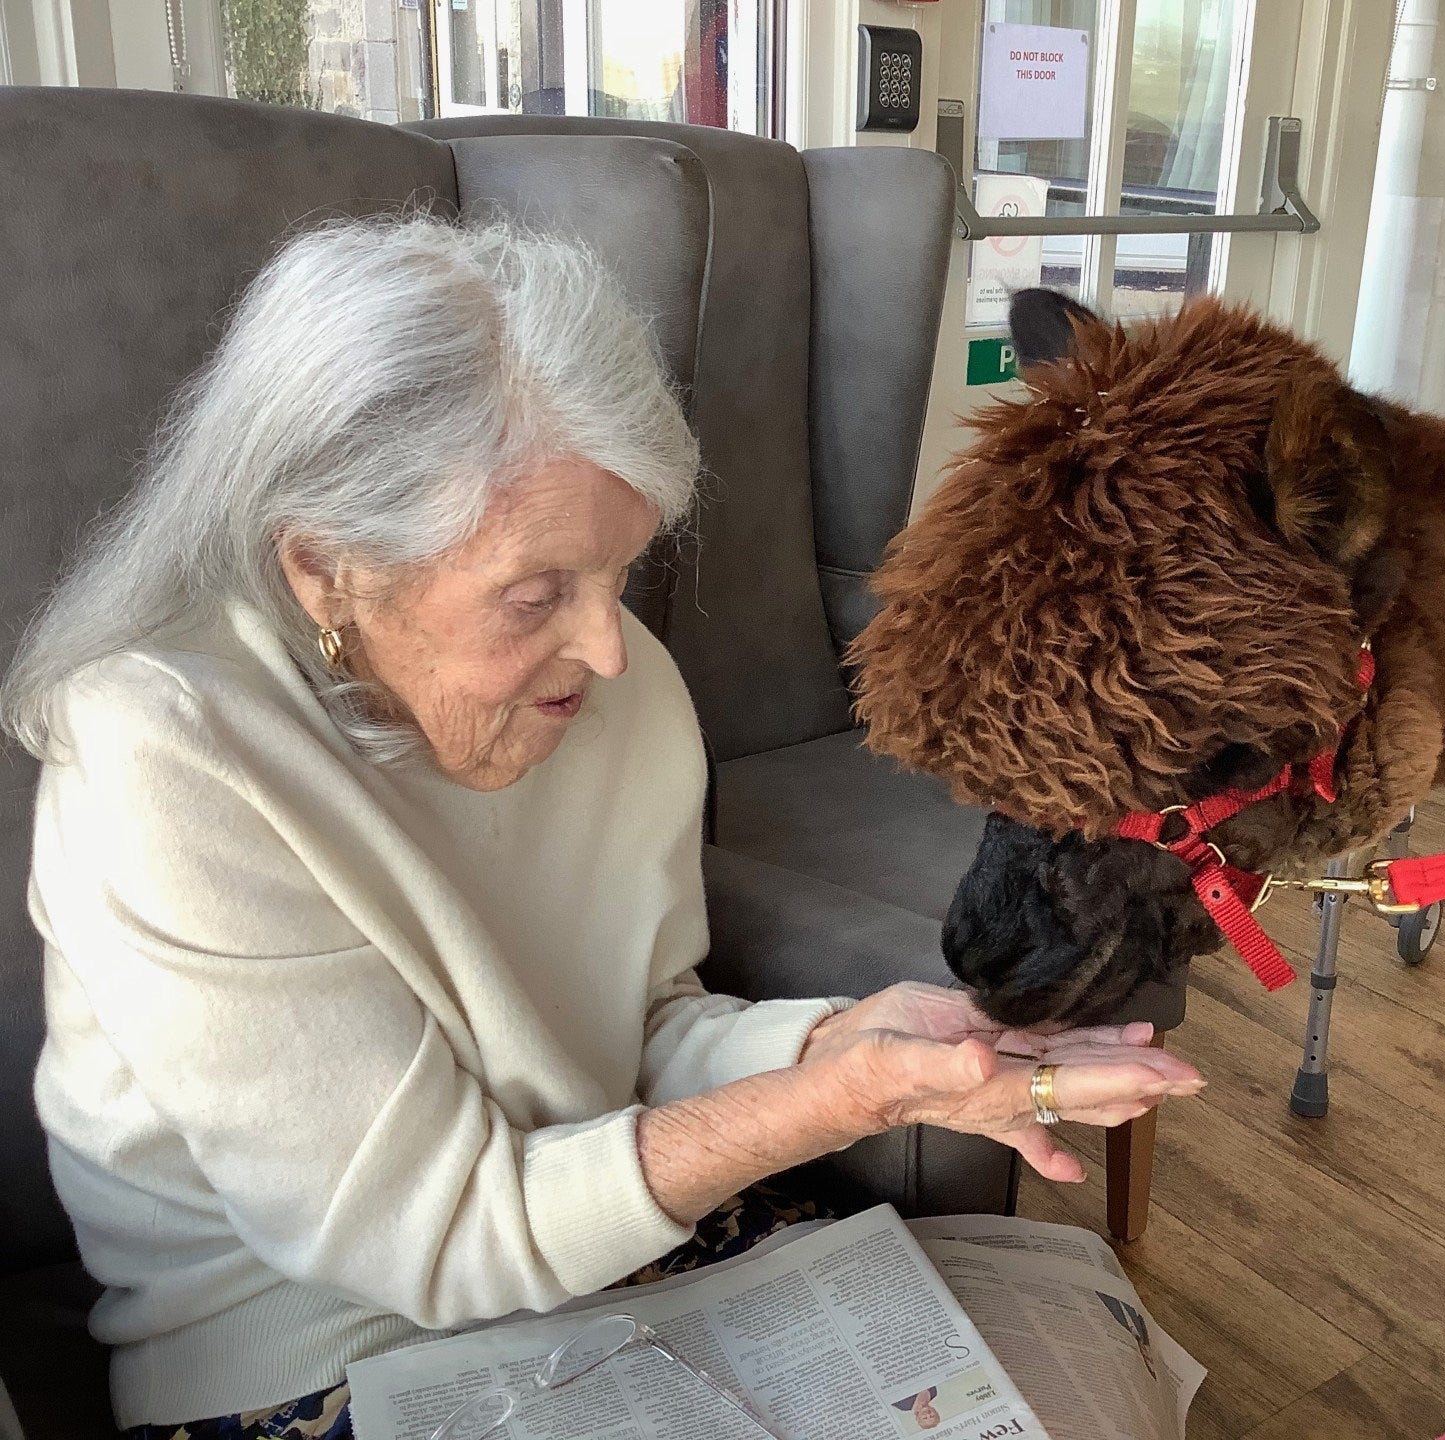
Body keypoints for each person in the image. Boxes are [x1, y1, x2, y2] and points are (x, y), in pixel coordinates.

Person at [2, 215, 1204, 1437]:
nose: (607, 649)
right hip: (321, 1352)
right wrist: (850, 1101)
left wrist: (845, 1040)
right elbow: (440, 1240)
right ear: (326, 569)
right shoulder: (165, 753)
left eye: (620, 573)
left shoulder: (614, 697)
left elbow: (642, 1032)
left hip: (619, 1268)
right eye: (536, 596)